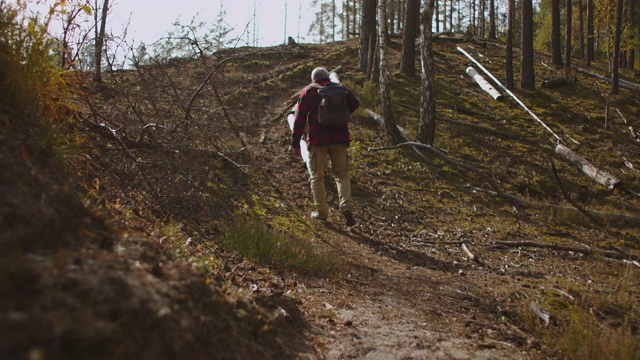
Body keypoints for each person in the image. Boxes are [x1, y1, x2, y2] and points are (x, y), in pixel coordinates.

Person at [291, 67, 360, 226]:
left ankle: (322, 213)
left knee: (317, 176)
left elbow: (299, 119)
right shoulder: (341, 89)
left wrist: (295, 143)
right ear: (328, 77)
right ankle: (346, 207)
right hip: (340, 138)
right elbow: (355, 104)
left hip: (318, 140)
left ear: (313, 79)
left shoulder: (308, 91)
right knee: (342, 175)